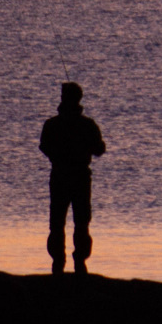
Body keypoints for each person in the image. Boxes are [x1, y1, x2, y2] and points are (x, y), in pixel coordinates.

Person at [39, 82, 105, 275]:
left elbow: (44, 146)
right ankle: (79, 263)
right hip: (80, 177)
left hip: (60, 176)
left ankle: (58, 263)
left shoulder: (52, 124)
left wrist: (57, 157)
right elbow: (99, 149)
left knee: (58, 222)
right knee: (81, 221)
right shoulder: (88, 125)